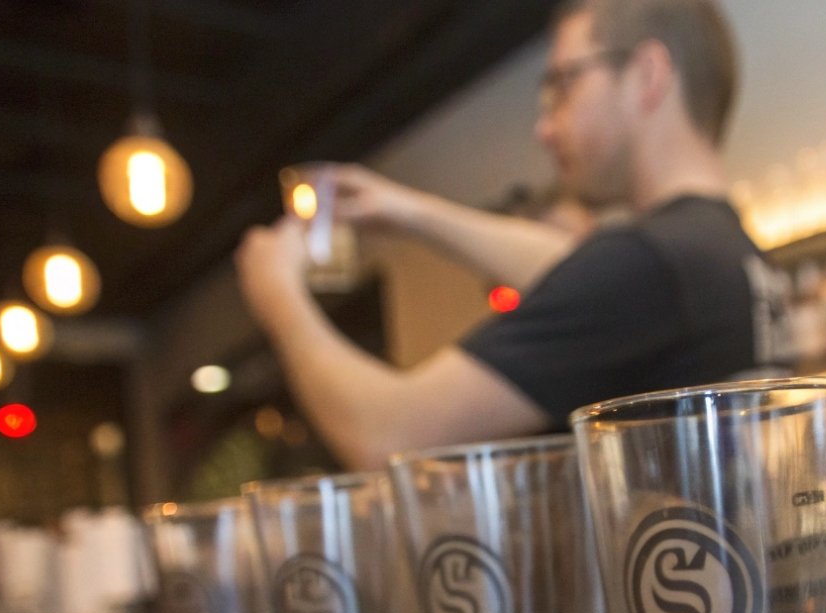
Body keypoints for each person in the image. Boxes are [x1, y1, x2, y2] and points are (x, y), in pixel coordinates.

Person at [235, 0, 791, 470]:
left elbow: (389, 434)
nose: (544, 128)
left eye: (564, 86)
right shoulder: (719, 251)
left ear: (648, 74)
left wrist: (278, 293)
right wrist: (410, 211)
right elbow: (579, 271)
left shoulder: (646, 265)